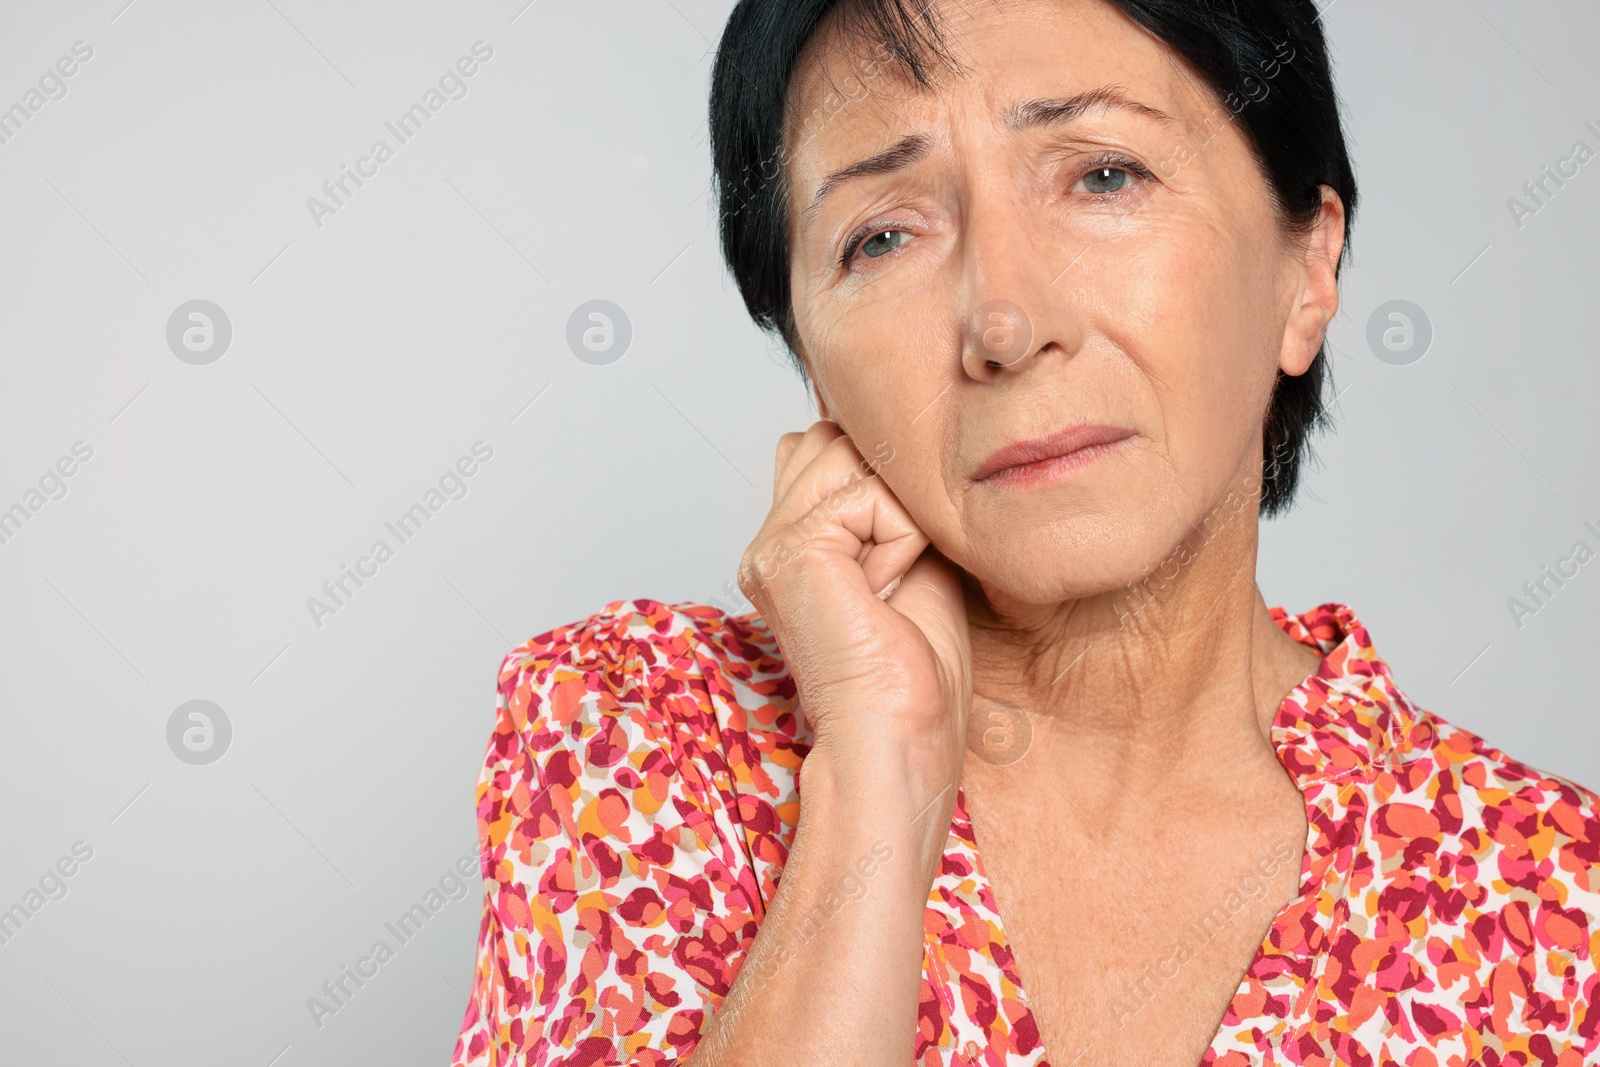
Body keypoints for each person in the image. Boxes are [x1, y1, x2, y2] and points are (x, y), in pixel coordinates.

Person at [451, 0, 1599, 1063]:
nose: (1003, 321)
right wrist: (877, 774)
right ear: (812, 366)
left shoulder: (1551, 898)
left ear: (1307, 267)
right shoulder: (636, 737)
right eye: (881, 237)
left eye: (1103, 173)